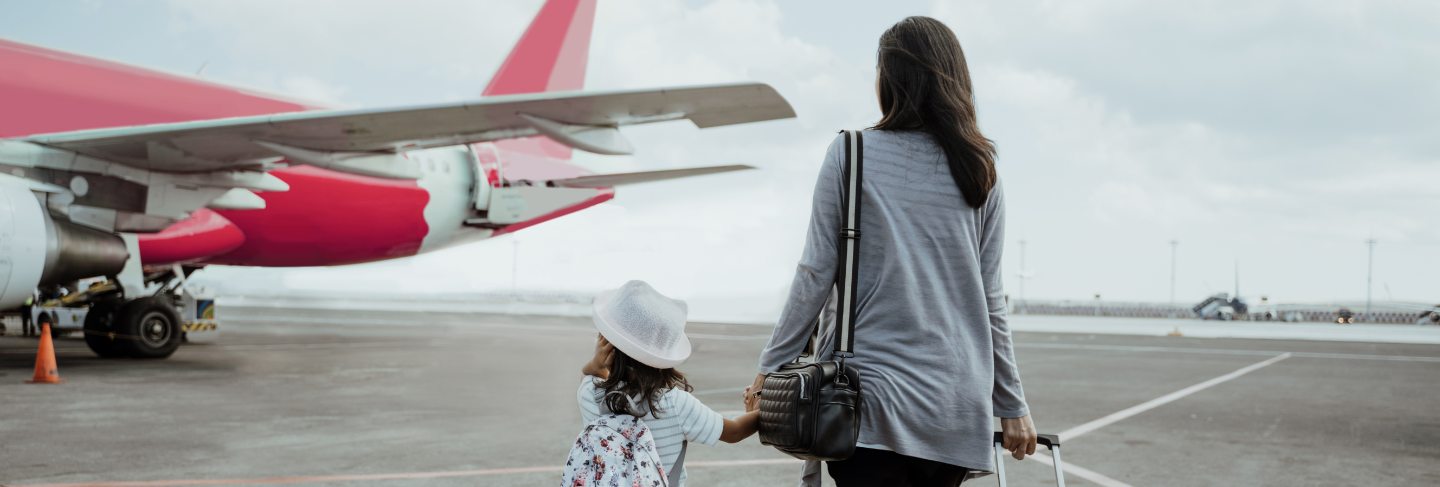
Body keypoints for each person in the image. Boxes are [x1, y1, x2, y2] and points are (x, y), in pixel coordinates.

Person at [747, 16, 1038, 487]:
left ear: (891, 80)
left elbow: (815, 273)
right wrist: (1011, 405)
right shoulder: (981, 168)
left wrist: (771, 367)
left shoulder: (851, 154)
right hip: (954, 405)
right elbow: (991, 301)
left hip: (869, 401)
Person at [572, 280, 760, 485]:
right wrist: (756, 411)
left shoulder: (590, 395)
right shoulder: (676, 404)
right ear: (664, 355)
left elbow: (592, 374)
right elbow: (735, 432)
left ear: (607, 346)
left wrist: (595, 362)